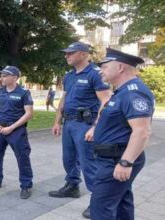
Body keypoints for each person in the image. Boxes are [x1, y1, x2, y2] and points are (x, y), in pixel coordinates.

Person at [48, 42, 111, 218]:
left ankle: (97, 202)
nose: (66, 56)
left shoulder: (95, 75)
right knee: (68, 159)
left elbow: (106, 102)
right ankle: (72, 186)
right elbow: (64, 99)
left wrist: (95, 127)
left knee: (88, 164)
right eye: (66, 53)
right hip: (69, 124)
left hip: (85, 125)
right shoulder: (68, 76)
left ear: (83, 54)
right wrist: (57, 122)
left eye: (70, 53)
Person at [90, 48, 154, 220]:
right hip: (113, 158)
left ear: (120, 67)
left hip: (117, 160)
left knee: (101, 208)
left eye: (104, 66)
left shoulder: (133, 92)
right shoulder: (122, 91)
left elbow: (142, 131)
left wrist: (126, 162)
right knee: (121, 204)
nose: (100, 70)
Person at [0, 66, 34, 199]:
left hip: (16, 130)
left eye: (5, 75)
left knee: (22, 157)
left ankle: (26, 185)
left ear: (15, 78)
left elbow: (28, 114)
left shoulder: (23, 93)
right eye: (1, 75)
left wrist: (12, 127)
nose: (1, 78)